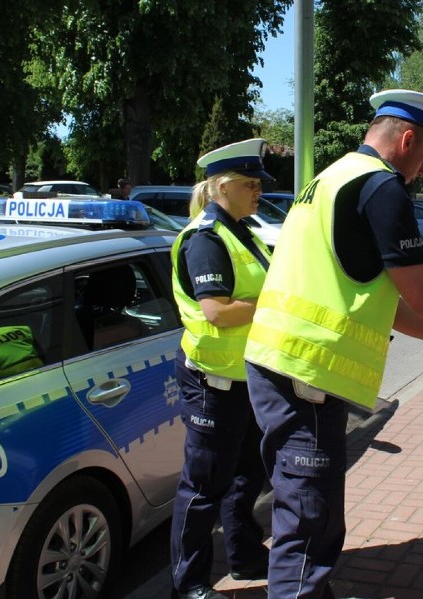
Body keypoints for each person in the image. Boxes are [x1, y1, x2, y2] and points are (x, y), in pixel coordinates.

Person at [243, 89, 423, 599]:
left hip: (282, 367)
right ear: (406, 139)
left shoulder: (329, 179)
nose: (421, 172)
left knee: (313, 518)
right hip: (306, 376)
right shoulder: (381, 188)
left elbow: (390, 303)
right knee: (307, 530)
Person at [169, 138, 274, 599]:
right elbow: (216, 311)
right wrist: (270, 304)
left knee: (247, 476)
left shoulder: (240, 230)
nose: (259, 192)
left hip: (244, 378)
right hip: (213, 382)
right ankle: (188, 584)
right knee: (202, 489)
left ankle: (246, 555)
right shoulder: (206, 239)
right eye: (251, 184)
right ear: (223, 187)